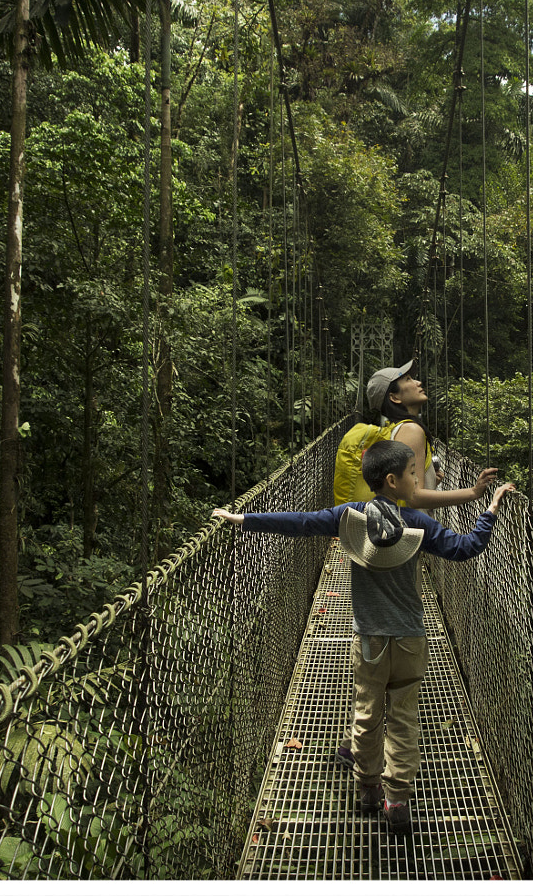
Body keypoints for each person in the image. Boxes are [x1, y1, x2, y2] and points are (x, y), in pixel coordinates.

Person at [214, 438, 513, 835]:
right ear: (392, 480)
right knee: (404, 717)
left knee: (367, 713)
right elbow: (465, 548)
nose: (416, 480)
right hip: (410, 638)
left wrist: (245, 520)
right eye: (412, 473)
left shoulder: (349, 516)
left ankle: (368, 787)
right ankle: (397, 798)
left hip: (369, 640)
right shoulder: (417, 523)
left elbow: (301, 523)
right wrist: (489, 509)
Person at [352, 358, 499, 510]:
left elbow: (404, 490)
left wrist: (430, 482)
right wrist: (473, 492)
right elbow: (414, 497)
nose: (418, 383)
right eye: (408, 379)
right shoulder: (410, 430)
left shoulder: (397, 429)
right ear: (394, 397)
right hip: (413, 530)